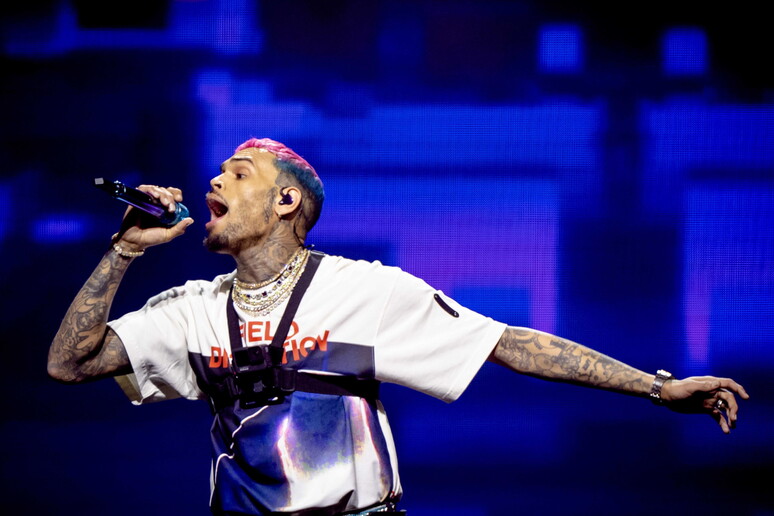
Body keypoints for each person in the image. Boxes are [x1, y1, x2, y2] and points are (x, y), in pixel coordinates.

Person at [48, 137, 749, 516]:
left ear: (286, 201)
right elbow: (69, 363)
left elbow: (509, 344)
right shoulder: (192, 309)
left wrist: (658, 388)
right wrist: (124, 250)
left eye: (237, 173)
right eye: (218, 174)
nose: (213, 183)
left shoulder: (365, 291)